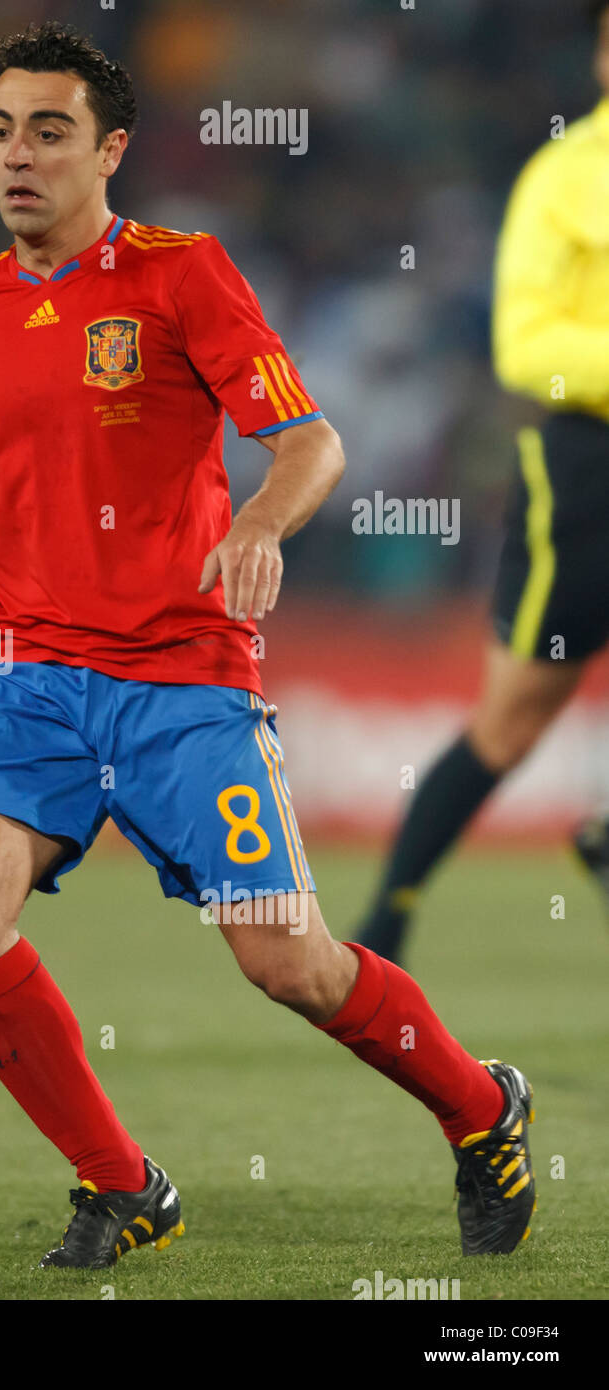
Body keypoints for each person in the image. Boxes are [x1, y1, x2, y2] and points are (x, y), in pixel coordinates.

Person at [0, 20, 533, 1267]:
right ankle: (122, 1184)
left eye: (49, 131)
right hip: (36, 677)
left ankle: (483, 1111)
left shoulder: (180, 273)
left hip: (183, 681)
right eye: (0, 130)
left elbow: (310, 440)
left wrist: (263, 520)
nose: (18, 157)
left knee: (290, 964)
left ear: (109, 149)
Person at [357, 0, 609, 964]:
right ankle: (389, 917)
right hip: (587, 473)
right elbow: (525, 346)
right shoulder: (564, 177)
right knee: (511, 719)